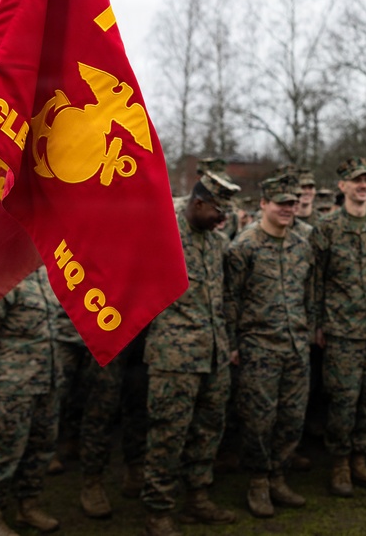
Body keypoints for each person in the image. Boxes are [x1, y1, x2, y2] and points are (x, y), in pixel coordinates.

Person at [142, 173, 240, 536]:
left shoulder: (216, 243)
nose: (223, 218)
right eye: (218, 210)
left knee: (208, 432)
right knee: (168, 436)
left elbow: (222, 298)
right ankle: (158, 511)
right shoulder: (162, 236)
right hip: (173, 359)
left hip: (214, 354)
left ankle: (197, 498)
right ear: (197, 204)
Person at [225, 174, 315, 518]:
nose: (288, 209)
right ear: (264, 204)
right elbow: (231, 299)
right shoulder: (243, 247)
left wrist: (309, 329)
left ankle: (279, 475)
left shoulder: (300, 244)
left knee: (292, 418)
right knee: (259, 421)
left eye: (292, 204)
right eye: (281, 203)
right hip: (259, 346)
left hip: (296, 346)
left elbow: (309, 292)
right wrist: (233, 342)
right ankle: (258, 482)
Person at [312, 157, 366, 498]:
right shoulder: (326, 229)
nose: (363, 185)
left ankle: (362, 458)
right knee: (343, 400)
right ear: (342, 186)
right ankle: (340, 464)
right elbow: (316, 280)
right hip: (341, 330)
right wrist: (317, 323)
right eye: (356, 180)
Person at [0, 268, 61, 536]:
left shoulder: (48, 276)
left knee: (41, 448)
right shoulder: (3, 278)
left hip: (48, 381)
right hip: (10, 384)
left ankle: (28, 506)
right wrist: (4, 364)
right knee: (1, 452)